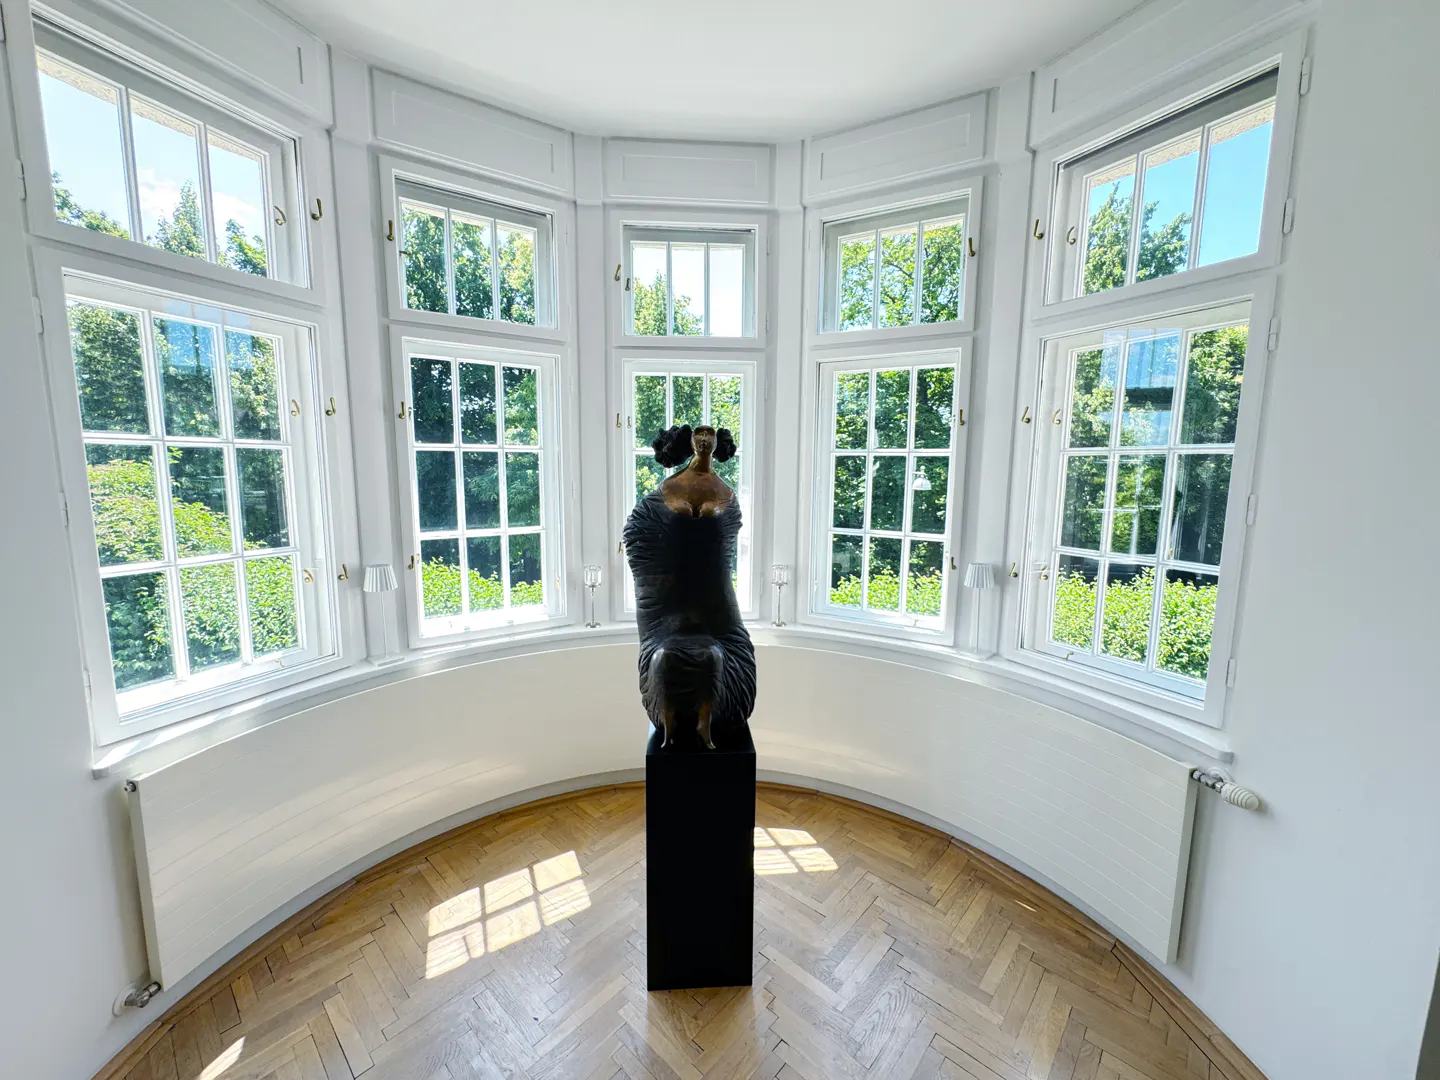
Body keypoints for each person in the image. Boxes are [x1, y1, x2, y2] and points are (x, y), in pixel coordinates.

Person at [624, 424, 756, 749]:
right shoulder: (664, 493)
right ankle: (675, 718)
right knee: (667, 654)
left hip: (715, 599)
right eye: (699, 435)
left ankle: (710, 717)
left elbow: (726, 537)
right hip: (668, 602)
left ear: (717, 443)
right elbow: (638, 536)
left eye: (710, 436)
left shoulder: (727, 495)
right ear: (690, 441)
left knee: (729, 656)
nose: (704, 441)